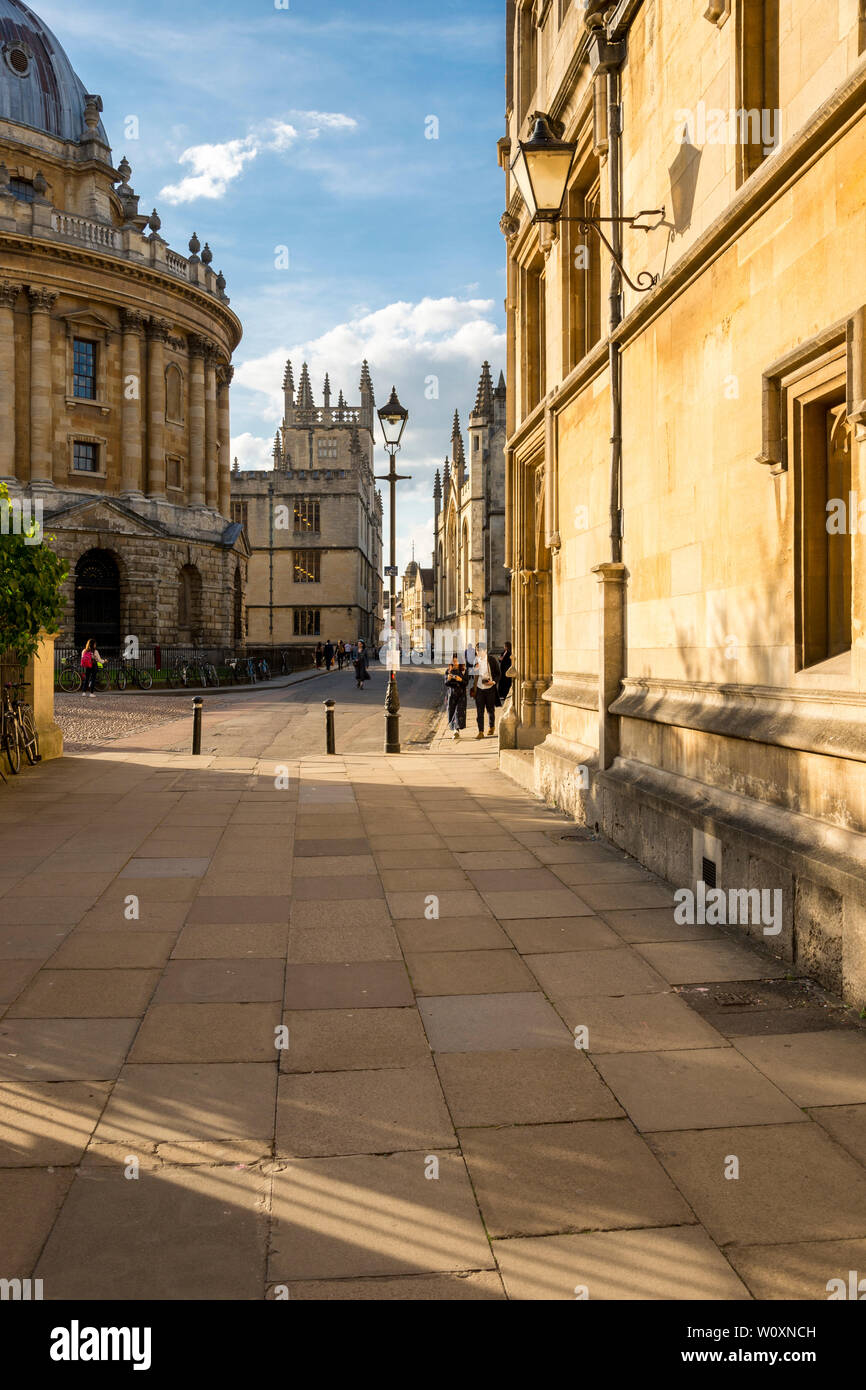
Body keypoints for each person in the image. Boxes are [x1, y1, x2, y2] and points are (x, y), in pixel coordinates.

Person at [471, 640, 500, 739]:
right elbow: (472, 675)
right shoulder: (475, 661)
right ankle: (481, 731)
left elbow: (498, 674)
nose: (478, 653)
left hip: (490, 688)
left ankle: (491, 726)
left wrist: (493, 682)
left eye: (480, 651)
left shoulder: (491, 660)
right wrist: (474, 670)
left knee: (490, 710)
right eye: (477, 651)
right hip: (479, 689)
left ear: (485, 651)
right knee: (479, 711)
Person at [444, 657, 467, 740]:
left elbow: (466, 683)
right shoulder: (448, 671)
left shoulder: (463, 671)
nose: (455, 663)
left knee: (458, 711)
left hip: (461, 695)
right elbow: (446, 683)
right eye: (454, 661)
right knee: (452, 711)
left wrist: (460, 680)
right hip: (451, 695)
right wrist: (449, 679)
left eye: (457, 661)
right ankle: (454, 729)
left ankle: (456, 731)